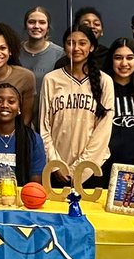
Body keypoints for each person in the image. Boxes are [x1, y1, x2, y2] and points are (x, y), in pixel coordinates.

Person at [38, 25, 114, 186]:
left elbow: (103, 131)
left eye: (82, 43)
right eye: (70, 43)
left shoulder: (105, 81)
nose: (76, 48)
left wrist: (78, 170)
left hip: (93, 169)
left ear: (92, 47)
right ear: (64, 47)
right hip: (56, 170)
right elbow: (44, 127)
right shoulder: (51, 79)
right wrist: (55, 164)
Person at [100, 37, 134, 180]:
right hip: (104, 168)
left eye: (129, 58)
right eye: (118, 58)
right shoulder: (100, 91)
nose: (124, 63)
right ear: (111, 60)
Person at [0, 22, 36, 120]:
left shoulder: (26, 77)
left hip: (18, 133)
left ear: (10, 51)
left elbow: (26, 119)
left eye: (2, 48)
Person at [20, 6, 64, 101]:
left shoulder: (60, 54)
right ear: (25, 25)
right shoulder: (15, 51)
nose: (36, 26)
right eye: (31, 22)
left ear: (48, 28)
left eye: (42, 22)